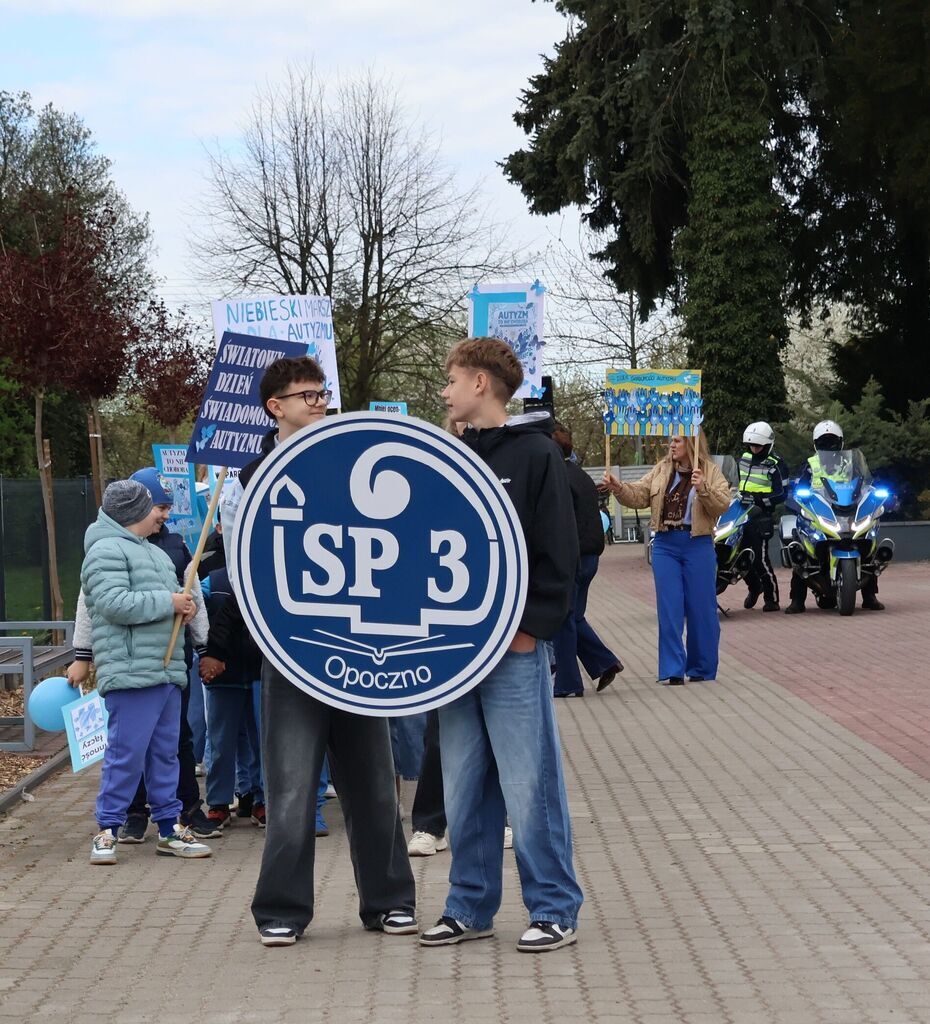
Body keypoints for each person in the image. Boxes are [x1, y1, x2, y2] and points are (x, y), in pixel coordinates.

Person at [217, 355, 416, 948]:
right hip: (291, 655)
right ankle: (280, 909)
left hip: (359, 648)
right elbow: (244, 572)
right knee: (291, 788)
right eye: (308, 395)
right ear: (274, 407)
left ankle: (390, 901)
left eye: (323, 392)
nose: (321, 402)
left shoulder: (351, 463)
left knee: (374, 784)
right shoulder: (249, 480)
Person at [419, 337, 583, 953]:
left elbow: (558, 551)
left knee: (529, 784)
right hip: (454, 653)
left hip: (512, 651)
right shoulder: (449, 455)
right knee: (463, 786)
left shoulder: (536, 454)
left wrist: (530, 629)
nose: (445, 391)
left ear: (480, 383)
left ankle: (554, 908)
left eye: (451, 380)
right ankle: (469, 906)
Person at [68, 468, 218, 842]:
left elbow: (181, 598)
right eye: (157, 507)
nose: (164, 514)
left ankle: (169, 827)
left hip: (166, 671)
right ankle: (108, 828)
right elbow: (111, 603)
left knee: (166, 754)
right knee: (127, 754)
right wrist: (169, 603)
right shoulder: (104, 551)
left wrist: (187, 612)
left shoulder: (157, 552)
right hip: (132, 672)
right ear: (135, 511)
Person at [603, 432, 731, 684]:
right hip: (665, 545)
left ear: (691, 442)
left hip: (698, 544)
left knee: (701, 609)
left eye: (677, 441)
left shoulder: (709, 470)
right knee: (669, 609)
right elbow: (640, 494)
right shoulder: (662, 469)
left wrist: (703, 488)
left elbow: (722, 505)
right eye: (671, 441)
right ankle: (673, 670)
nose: (671, 445)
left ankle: (702, 668)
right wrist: (619, 488)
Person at [550, 421, 623, 697]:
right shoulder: (579, 474)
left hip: (572, 556)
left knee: (563, 619)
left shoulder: (558, 478)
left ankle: (568, 683)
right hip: (590, 556)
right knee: (574, 616)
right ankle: (605, 663)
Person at [785, 419, 884, 613]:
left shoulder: (850, 463)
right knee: (801, 551)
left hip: (846, 510)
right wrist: (797, 494)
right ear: (816, 444)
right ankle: (797, 600)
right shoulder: (810, 464)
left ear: (840, 443)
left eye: (832, 442)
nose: (828, 446)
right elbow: (799, 487)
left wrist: (872, 490)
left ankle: (870, 596)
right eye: (824, 442)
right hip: (819, 512)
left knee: (869, 548)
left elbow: (863, 482)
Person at [736, 422, 787, 612]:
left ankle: (771, 599)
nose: (754, 448)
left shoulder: (776, 464)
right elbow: (734, 480)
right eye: (751, 445)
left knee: (760, 559)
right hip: (740, 515)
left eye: (758, 445)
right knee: (736, 556)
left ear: (767, 445)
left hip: (761, 517)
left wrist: (759, 499)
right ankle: (754, 586)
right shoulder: (743, 459)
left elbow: (782, 493)